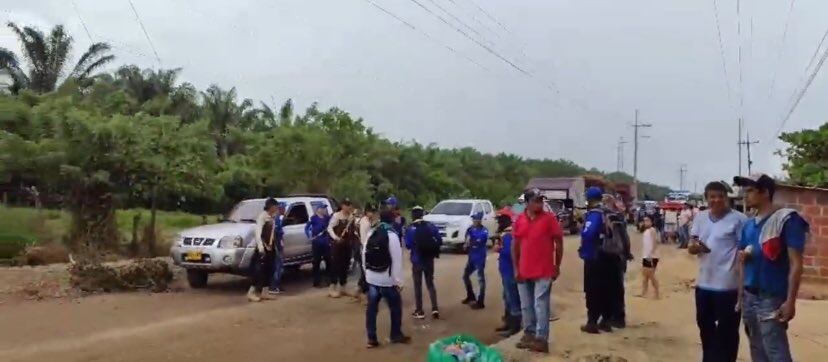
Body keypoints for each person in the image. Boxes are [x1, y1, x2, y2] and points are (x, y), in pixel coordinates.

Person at [734, 174, 808, 362]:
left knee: (776, 352)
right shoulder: (749, 225)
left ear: (765, 192)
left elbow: (796, 264)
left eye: (750, 190)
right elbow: (743, 259)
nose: (745, 195)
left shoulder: (786, 220)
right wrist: (740, 296)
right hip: (750, 296)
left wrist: (790, 301)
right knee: (757, 350)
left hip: (771, 298)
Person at [689, 181, 747, 362]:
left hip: (728, 286)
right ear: (706, 199)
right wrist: (696, 247)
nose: (717, 200)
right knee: (705, 327)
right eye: (712, 196)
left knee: (728, 332)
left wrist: (742, 286)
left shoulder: (739, 219)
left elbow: (743, 251)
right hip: (704, 284)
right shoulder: (700, 218)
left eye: (721, 196)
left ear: (726, 198)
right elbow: (691, 245)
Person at [512, 188, 564, 353]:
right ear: (526, 203)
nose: (539, 203)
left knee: (540, 305)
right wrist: (516, 268)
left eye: (541, 200)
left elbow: (559, 243)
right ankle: (529, 334)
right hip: (524, 270)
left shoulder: (549, 219)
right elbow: (515, 246)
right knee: (526, 306)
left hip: (544, 270)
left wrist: (557, 265)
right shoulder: (520, 220)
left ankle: (541, 339)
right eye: (536, 200)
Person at [364, 209, 410, 348]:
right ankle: (395, 335)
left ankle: (371, 338)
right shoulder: (392, 236)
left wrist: (367, 274)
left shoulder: (371, 233)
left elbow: (364, 254)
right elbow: (396, 260)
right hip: (387, 279)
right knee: (395, 307)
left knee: (372, 309)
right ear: (391, 220)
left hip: (372, 278)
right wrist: (398, 281)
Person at [579, 186, 615, 334]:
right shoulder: (608, 212)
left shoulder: (594, 214)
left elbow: (589, 233)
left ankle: (592, 322)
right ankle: (605, 321)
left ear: (590, 199)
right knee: (606, 289)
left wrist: (583, 237)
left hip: (594, 256)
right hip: (608, 256)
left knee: (592, 290)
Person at [404, 206, 442, 319]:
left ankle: (419, 310)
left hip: (417, 260)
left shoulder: (410, 228)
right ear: (422, 214)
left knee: (418, 285)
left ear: (413, 215)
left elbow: (408, 245)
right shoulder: (430, 226)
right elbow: (439, 240)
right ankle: (435, 308)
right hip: (429, 259)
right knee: (430, 284)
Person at [494, 213, 521, 337]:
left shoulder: (509, 234)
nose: (497, 223)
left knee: (512, 299)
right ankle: (509, 322)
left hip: (510, 272)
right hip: (506, 271)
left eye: (499, 221)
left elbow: (511, 253)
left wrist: (499, 248)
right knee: (507, 298)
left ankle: (514, 327)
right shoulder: (505, 234)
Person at [248, 197, 279, 302]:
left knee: (270, 269)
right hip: (263, 247)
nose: (276, 208)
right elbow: (258, 234)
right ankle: (251, 292)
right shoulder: (262, 217)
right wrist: (261, 248)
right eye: (275, 206)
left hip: (271, 247)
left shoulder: (272, 217)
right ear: (270, 207)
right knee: (258, 270)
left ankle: (265, 292)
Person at [327, 198, 358, 298]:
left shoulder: (351, 217)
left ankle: (343, 287)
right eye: (346, 205)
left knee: (345, 265)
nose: (348, 207)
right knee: (336, 265)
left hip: (347, 245)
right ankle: (332, 288)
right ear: (342, 206)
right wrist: (335, 238)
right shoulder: (336, 216)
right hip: (337, 245)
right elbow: (329, 228)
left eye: (349, 205)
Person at [461, 212, 489, 310]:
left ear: (479, 220)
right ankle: (471, 295)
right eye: (473, 219)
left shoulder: (484, 230)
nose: (474, 221)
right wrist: (466, 243)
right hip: (472, 257)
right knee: (465, 276)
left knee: (481, 279)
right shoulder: (470, 228)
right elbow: (467, 238)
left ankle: (481, 301)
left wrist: (470, 241)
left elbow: (480, 240)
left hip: (480, 257)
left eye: (476, 219)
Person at [306, 205, 332, 288]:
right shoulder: (313, 218)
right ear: (318, 209)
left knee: (328, 262)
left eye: (325, 208)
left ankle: (329, 280)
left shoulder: (327, 218)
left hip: (326, 243)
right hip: (316, 244)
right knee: (316, 263)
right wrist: (310, 237)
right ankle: (316, 282)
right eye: (323, 208)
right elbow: (306, 228)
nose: (324, 210)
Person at [356, 204, 378, 300]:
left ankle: (360, 289)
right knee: (365, 270)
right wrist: (367, 248)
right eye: (370, 212)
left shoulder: (368, 221)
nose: (372, 214)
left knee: (364, 270)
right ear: (366, 212)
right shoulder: (364, 222)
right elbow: (364, 237)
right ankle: (364, 292)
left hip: (365, 247)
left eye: (373, 212)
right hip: (363, 247)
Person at [636, 215, 660, 299]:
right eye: (644, 220)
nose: (646, 222)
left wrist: (651, 254)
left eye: (647, 220)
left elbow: (655, 243)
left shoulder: (652, 230)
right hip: (646, 255)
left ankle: (657, 293)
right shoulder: (646, 230)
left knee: (651, 275)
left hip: (651, 256)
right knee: (645, 276)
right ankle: (644, 293)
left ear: (651, 221)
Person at [267, 203, 286, 295]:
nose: (285, 210)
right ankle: (273, 286)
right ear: (280, 209)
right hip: (276, 245)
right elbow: (276, 234)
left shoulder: (278, 218)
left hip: (278, 244)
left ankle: (277, 285)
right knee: (277, 266)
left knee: (279, 266)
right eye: (284, 208)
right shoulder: (276, 219)